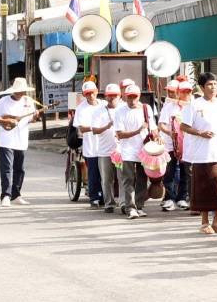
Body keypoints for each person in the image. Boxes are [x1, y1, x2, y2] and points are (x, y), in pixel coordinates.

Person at [181, 78, 217, 234]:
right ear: (202, 87)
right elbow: (183, 126)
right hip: (201, 154)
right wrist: (200, 133)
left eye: (215, 84)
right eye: (209, 85)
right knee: (203, 188)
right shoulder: (194, 104)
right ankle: (205, 223)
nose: (213, 87)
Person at [0, 77, 37, 207]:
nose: (21, 93)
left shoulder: (29, 101)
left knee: (19, 169)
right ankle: (6, 196)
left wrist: (36, 116)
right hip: (7, 138)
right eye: (18, 91)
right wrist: (5, 121)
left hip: (22, 138)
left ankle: (16, 194)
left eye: (22, 91)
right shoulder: (4, 101)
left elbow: (31, 119)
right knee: (7, 168)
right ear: (14, 90)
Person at [113, 81, 154, 219]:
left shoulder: (146, 108)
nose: (132, 99)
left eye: (134, 96)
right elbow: (120, 134)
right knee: (128, 179)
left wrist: (157, 136)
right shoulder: (120, 111)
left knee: (142, 179)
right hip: (127, 151)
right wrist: (137, 131)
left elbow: (153, 127)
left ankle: (139, 205)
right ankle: (130, 207)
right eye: (129, 96)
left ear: (139, 95)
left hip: (144, 150)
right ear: (125, 96)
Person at [74, 80, 116, 210]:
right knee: (93, 173)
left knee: (106, 174)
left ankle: (105, 197)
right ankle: (94, 197)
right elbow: (81, 128)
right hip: (91, 147)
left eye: (92, 93)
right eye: (87, 93)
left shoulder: (104, 104)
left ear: (97, 92)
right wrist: (96, 128)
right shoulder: (81, 108)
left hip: (106, 145)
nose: (90, 96)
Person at [156, 79, 191, 211]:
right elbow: (161, 124)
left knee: (185, 172)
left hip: (187, 145)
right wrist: (171, 133)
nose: (185, 94)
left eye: (188, 91)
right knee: (169, 172)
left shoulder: (192, 105)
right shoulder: (169, 106)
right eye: (183, 91)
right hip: (170, 144)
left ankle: (182, 197)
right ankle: (169, 198)